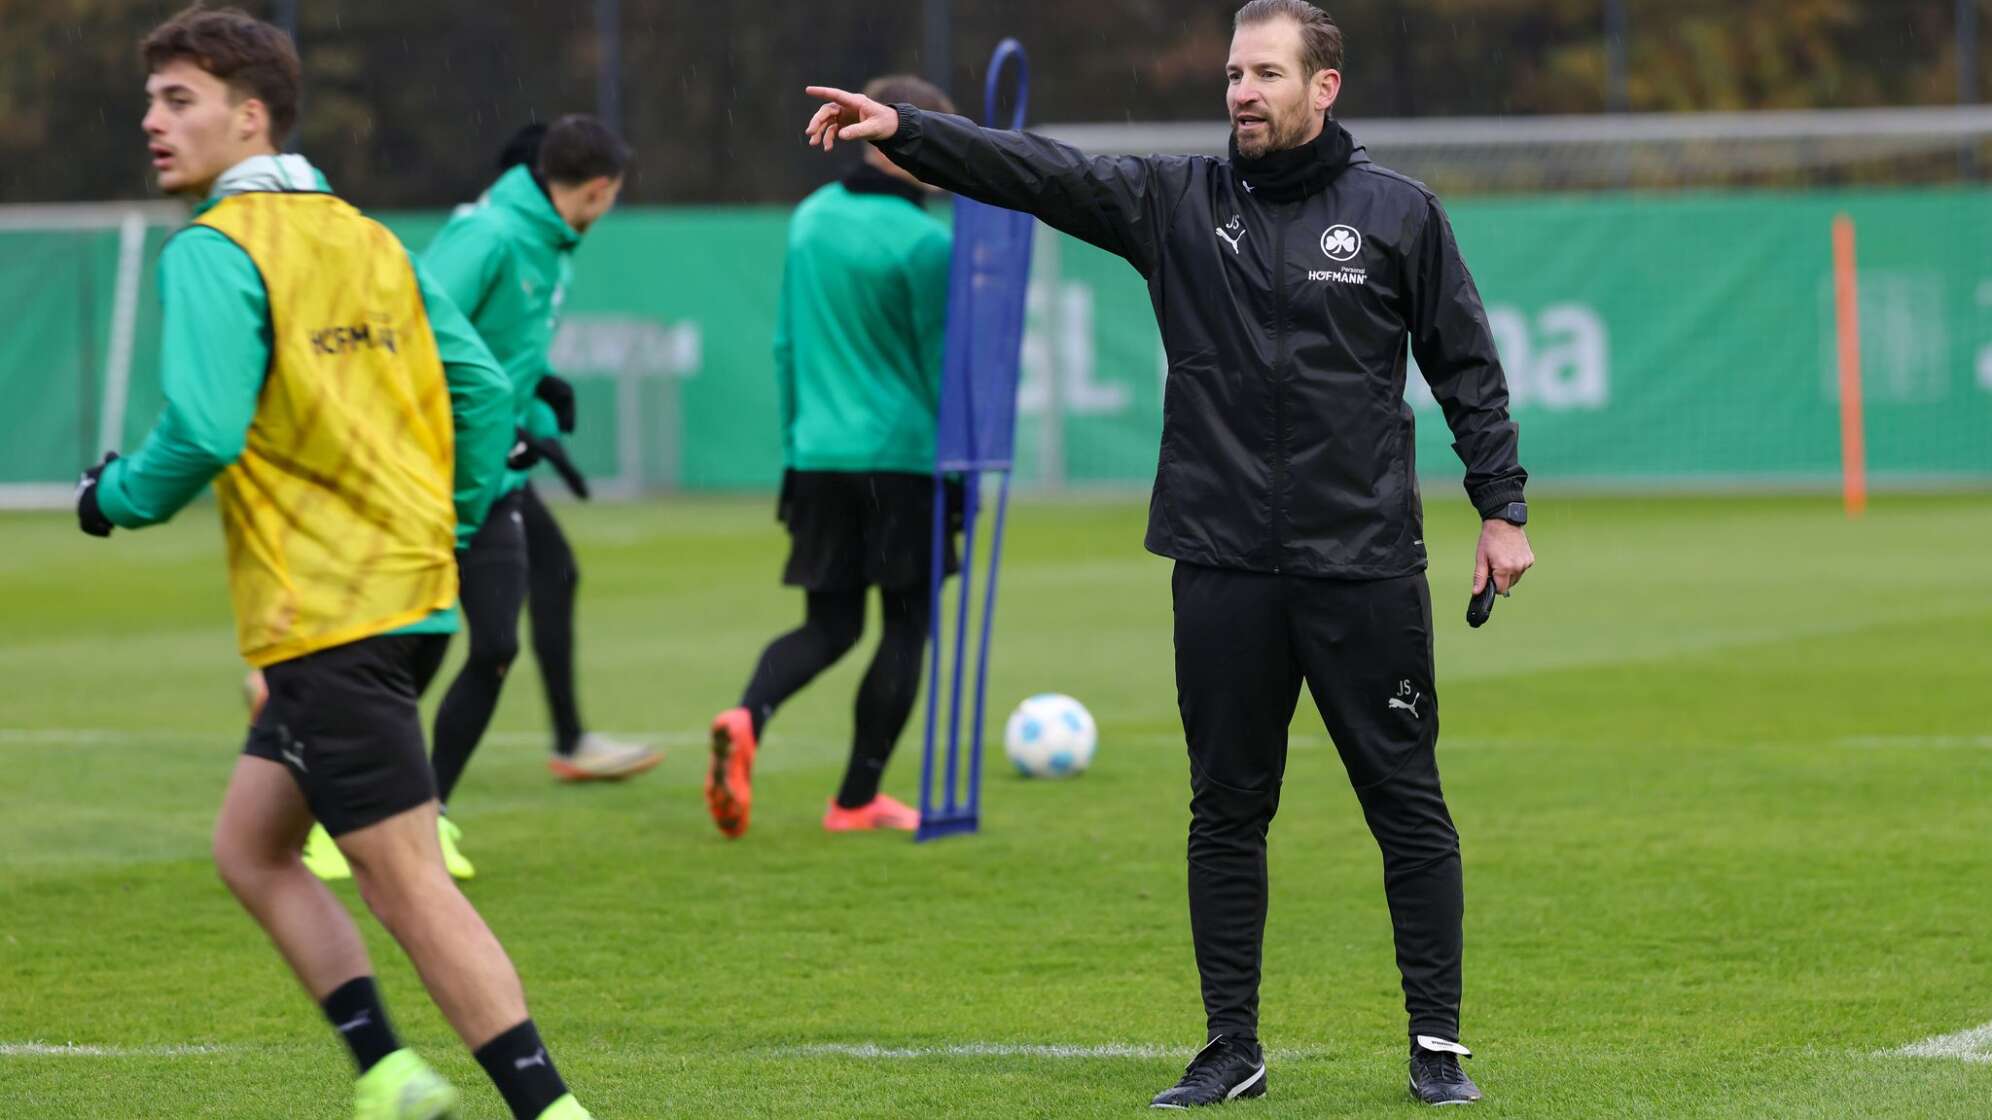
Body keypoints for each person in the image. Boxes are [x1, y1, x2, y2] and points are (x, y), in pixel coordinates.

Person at [803, 0, 1535, 1107]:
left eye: (1267, 74)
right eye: (1235, 73)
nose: (1242, 91)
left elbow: (1466, 368)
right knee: (1226, 807)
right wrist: (906, 134)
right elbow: (1039, 173)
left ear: (1322, 87)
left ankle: (1437, 1043)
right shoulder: (1175, 201)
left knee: (1406, 801)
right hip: (1223, 559)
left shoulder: (1398, 215)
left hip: (1364, 564)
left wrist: (1502, 508)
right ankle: (1230, 1045)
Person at [79, 8, 592, 1118]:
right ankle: (388, 1073)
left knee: (404, 881)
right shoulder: (368, 238)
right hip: (403, 607)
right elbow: (484, 394)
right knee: (252, 847)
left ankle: (552, 1110)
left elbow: (204, 432)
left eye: (180, 100)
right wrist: (450, 534)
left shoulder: (216, 250)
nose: (152, 122)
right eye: (152, 99)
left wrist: (109, 498)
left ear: (250, 115)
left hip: (325, 615)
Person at [705, 74, 960, 839]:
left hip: (817, 452)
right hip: (902, 461)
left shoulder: (809, 221)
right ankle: (855, 799)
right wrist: (960, 468)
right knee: (905, 628)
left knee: (829, 626)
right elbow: (939, 369)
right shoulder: (927, 245)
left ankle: (746, 716)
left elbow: (786, 346)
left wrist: (793, 452)